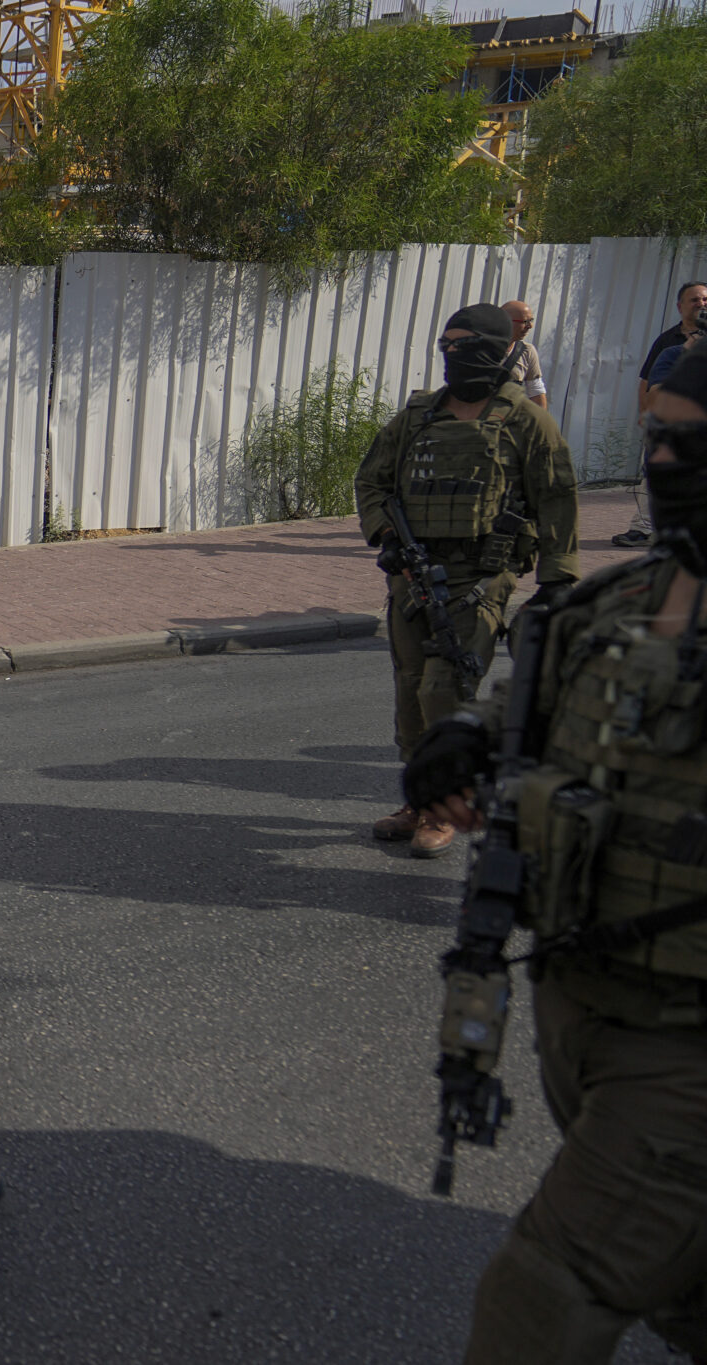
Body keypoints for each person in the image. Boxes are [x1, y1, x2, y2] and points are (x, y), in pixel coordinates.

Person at [405, 348, 707, 1365]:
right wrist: (469, 741)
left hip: (686, 1045)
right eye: (652, 436)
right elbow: (529, 702)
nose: (659, 460)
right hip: (578, 1007)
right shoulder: (616, 607)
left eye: (685, 441)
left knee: (545, 1291)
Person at [354, 301, 579, 858]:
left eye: (465, 345)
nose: (453, 355)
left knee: (443, 687)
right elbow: (372, 482)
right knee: (410, 689)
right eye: (446, 345)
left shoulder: (526, 420)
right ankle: (418, 798)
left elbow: (557, 500)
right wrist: (388, 537)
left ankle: (444, 804)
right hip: (413, 575)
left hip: (484, 576)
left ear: (498, 349)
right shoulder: (417, 417)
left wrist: (558, 581)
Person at [617, 281, 707, 548]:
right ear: (680, 306)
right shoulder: (670, 347)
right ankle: (644, 527)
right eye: (695, 300)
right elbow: (649, 386)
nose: (702, 304)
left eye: (705, 299)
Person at [503, 300, 549, 412]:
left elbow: (536, 391)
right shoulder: (481, 349)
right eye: (525, 321)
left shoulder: (527, 351)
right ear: (505, 321)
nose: (530, 326)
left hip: (508, 423)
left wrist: (539, 424)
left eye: (531, 321)